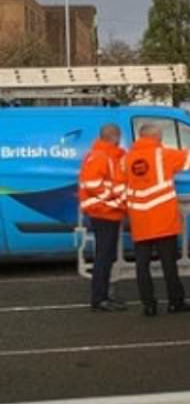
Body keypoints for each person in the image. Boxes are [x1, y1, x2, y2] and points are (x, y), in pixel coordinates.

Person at [122, 123, 190, 316]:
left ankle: (148, 305)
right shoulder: (163, 155)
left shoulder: (126, 159)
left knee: (142, 265)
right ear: (156, 137)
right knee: (168, 264)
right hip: (162, 219)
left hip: (139, 219)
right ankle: (175, 302)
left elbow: (120, 188)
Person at [78, 123, 128, 312]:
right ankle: (100, 299)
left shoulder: (103, 155)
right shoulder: (102, 156)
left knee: (106, 256)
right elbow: (93, 184)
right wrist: (116, 199)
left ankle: (103, 296)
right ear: (115, 137)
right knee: (104, 257)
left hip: (106, 211)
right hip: (103, 212)